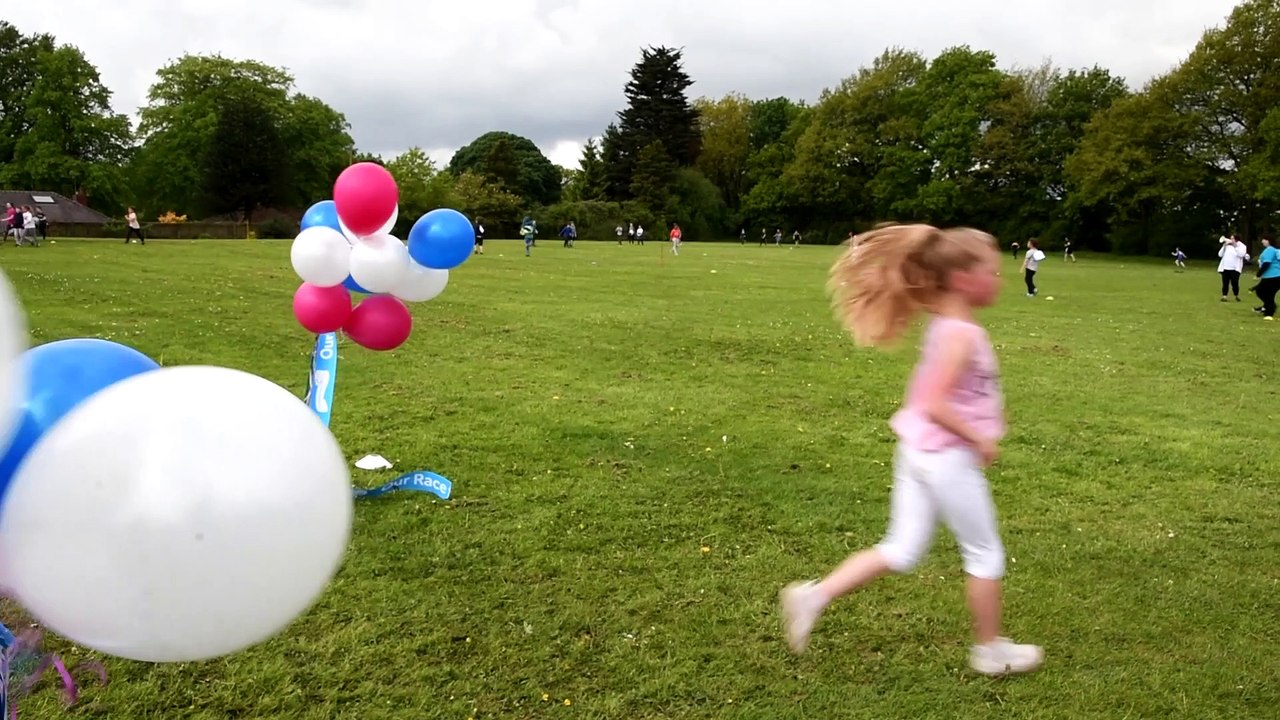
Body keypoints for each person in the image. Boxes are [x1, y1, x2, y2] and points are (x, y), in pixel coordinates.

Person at [779, 224, 1042, 676]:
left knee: (901, 549)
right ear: (963, 279)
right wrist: (978, 437)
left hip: (918, 452)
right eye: (992, 272)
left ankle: (812, 596)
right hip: (946, 458)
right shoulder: (961, 333)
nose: (999, 280)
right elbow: (935, 401)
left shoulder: (946, 326)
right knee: (984, 555)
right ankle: (989, 649)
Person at [1253, 237, 1279, 320]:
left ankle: (1270, 311)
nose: (1262, 241)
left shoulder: (1270, 250)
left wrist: (1258, 274)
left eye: (1264, 239)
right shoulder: (1275, 250)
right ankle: (1268, 309)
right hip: (1275, 276)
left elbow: (1267, 263)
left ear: (1268, 241)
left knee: (1260, 291)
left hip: (1272, 275)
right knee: (1269, 294)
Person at [1217, 235, 1249, 302]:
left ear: (1236, 239)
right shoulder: (1227, 246)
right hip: (1225, 267)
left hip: (1235, 268)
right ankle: (1224, 296)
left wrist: (1235, 246)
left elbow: (1241, 254)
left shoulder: (1242, 246)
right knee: (1225, 283)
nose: (1230, 240)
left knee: (1235, 283)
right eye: (1230, 238)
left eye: (1232, 238)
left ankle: (1236, 295)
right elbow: (1220, 254)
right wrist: (1224, 246)